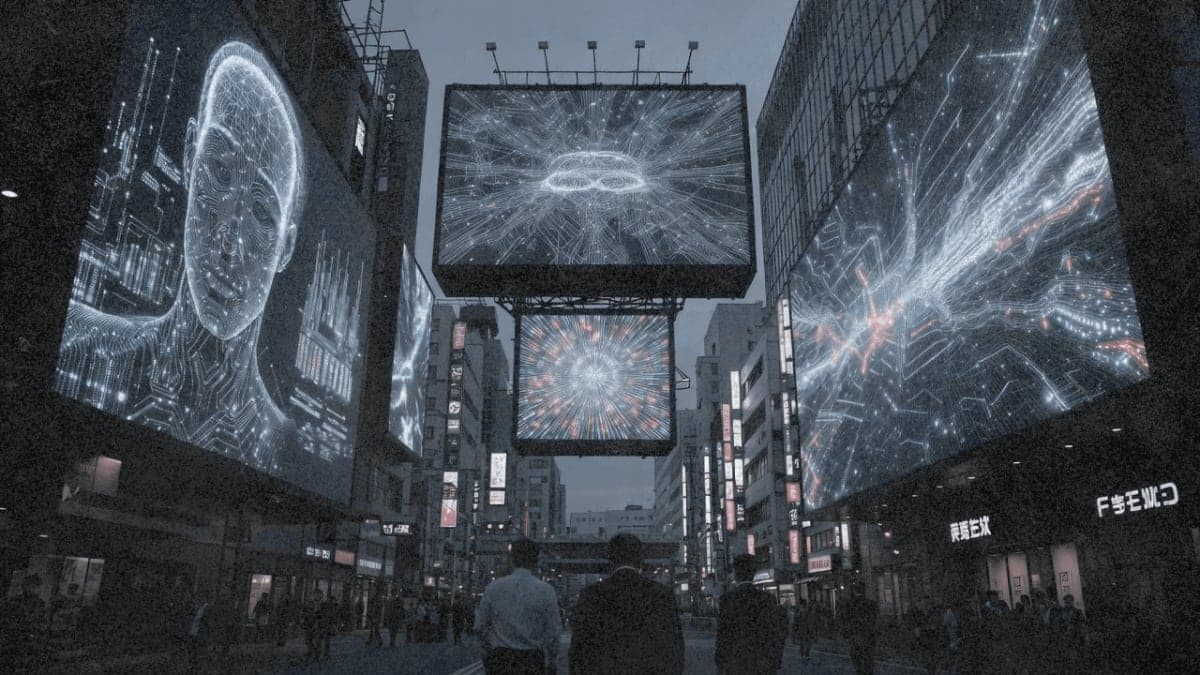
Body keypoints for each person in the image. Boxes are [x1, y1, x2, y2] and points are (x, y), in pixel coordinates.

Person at [54, 39, 313, 479]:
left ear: (285, 248)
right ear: (192, 153)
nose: (232, 239)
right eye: (221, 172)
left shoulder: (285, 443)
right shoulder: (80, 342)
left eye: (262, 213)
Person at [569, 534, 684, 675]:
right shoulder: (662, 594)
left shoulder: (591, 594)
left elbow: (578, 648)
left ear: (610, 560)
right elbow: (674, 648)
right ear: (640, 560)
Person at [475, 538, 561, 674]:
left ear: (512, 559)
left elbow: (480, 627)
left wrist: (488, 652)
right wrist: (551, 660)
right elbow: (553, 633)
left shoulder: (494, 587)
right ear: (536, 561)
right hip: (531, 660)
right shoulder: (546, 590)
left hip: (501, 658)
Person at [714, 554, 787, 674]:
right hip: (762, 664)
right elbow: (776, 633)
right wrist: (774, 663)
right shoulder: (767, 599)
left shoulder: (727, 600)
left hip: (736, 663)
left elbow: (723, 636)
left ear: (736, 574)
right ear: (753, 574)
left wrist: (720, 665)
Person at [838, 581, 878, 675]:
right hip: (868, 634)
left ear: (855, 591)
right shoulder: (871, 603)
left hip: (855, 633)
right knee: (868, 656)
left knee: (856, 655)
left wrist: (844, 633)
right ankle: (868, 671)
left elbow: (844, 619)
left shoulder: (850, 604)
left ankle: (860, 671)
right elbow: (875, 619)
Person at [905, 595, 939, 674]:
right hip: (924, 638)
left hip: (931, 637)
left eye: (928, 603)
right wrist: (918, 638)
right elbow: (916, 627)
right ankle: (929, 669)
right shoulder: (917, 613)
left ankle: (931, 670)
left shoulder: (930, 611)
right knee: (926, 657)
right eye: (925, 603)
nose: (926, 604)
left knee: (932, 657)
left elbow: (935, 624)